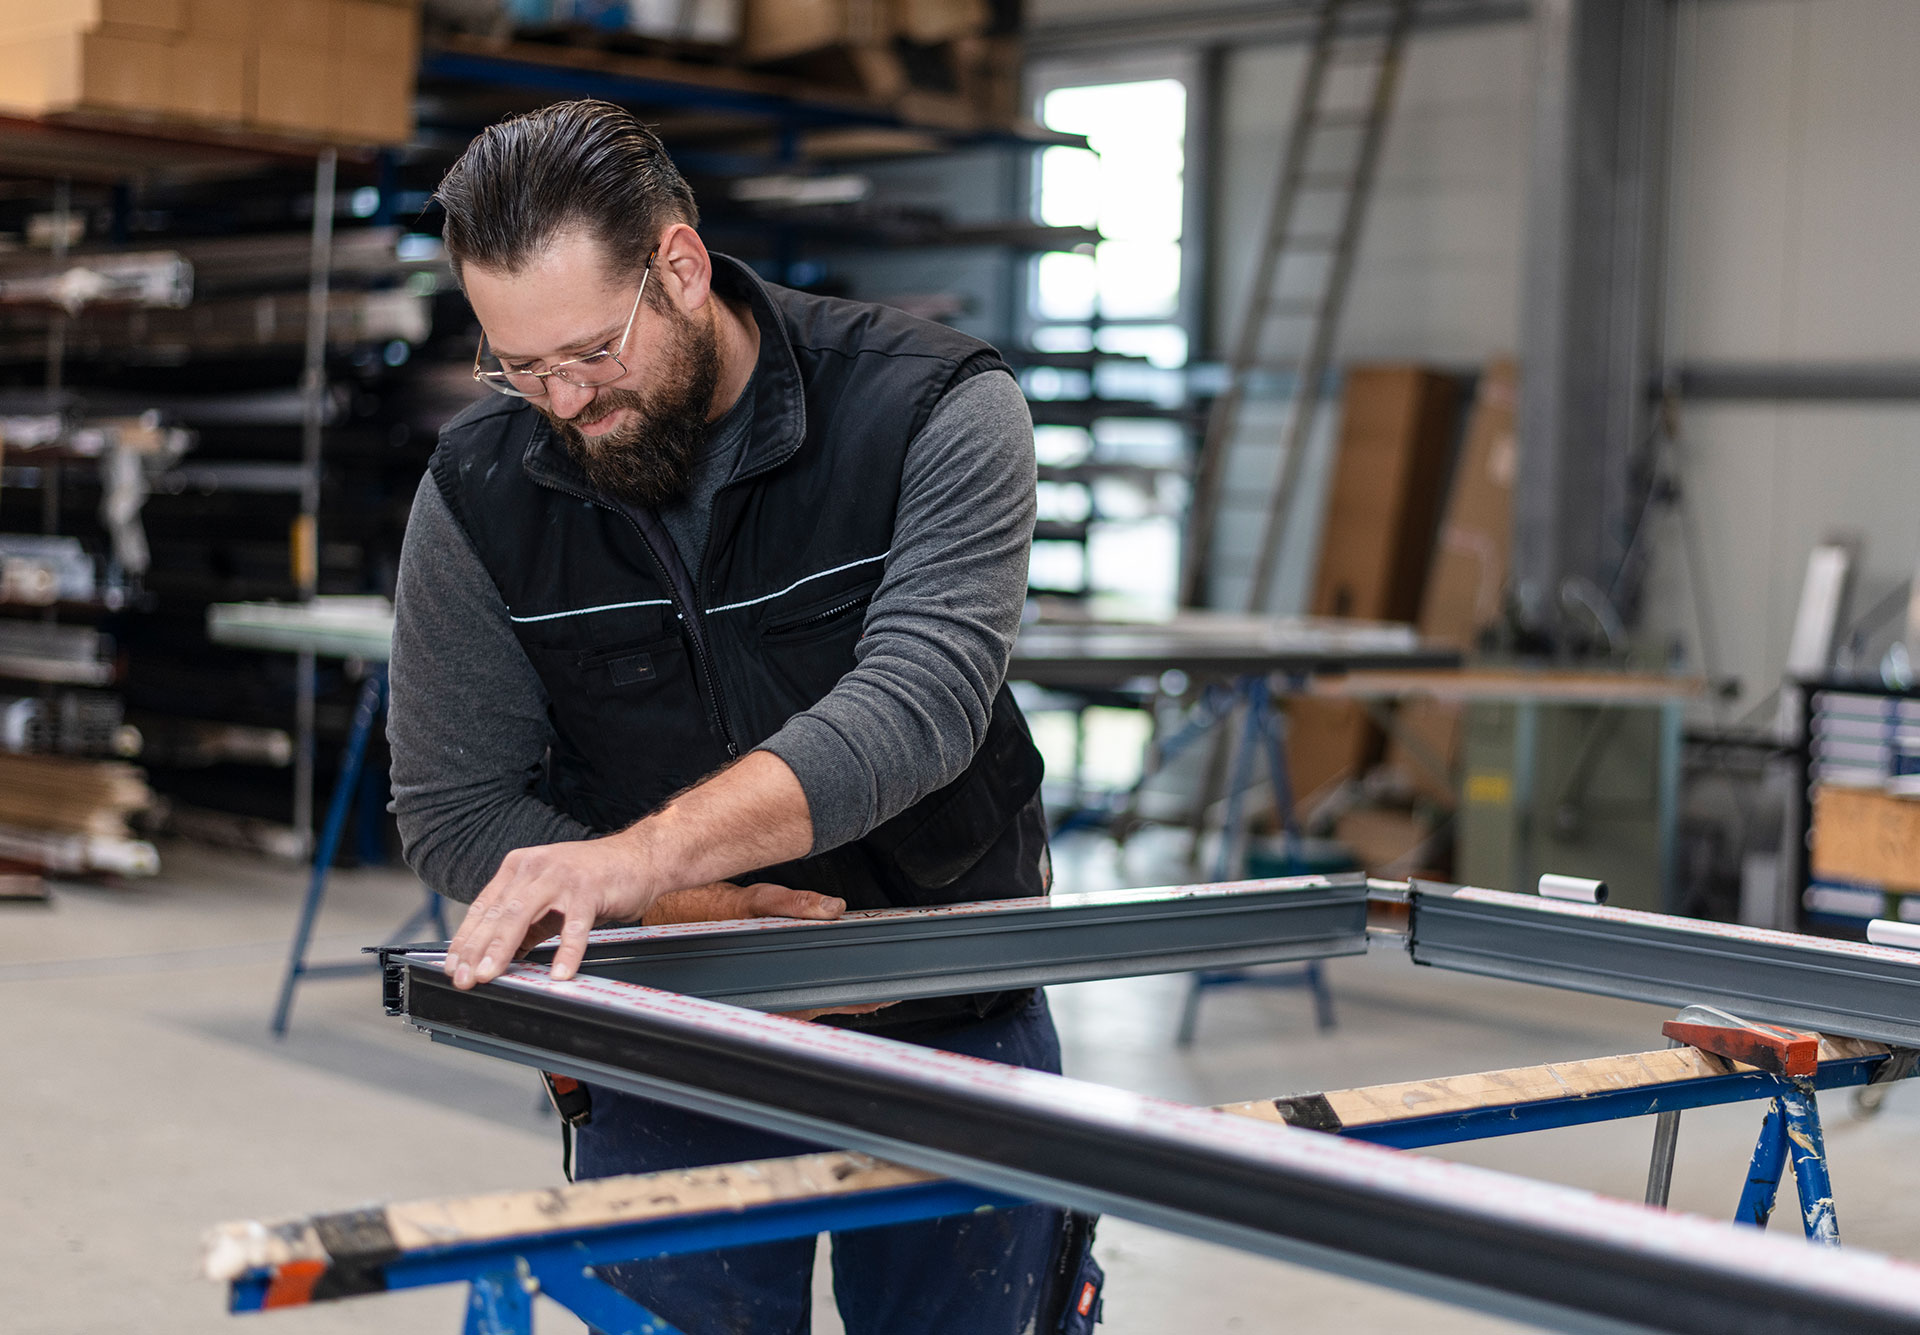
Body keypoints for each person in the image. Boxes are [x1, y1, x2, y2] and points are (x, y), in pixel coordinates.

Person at [386, 98, 1063, 1334]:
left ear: (681, 269)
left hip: (949, 1009)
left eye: (589, 352)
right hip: (672, 1021)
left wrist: (633, 857)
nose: (564, 402)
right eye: (519, 367)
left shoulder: (932, 410)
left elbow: (918, 708)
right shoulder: (481, 491)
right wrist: (686, 905)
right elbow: (453, 803)